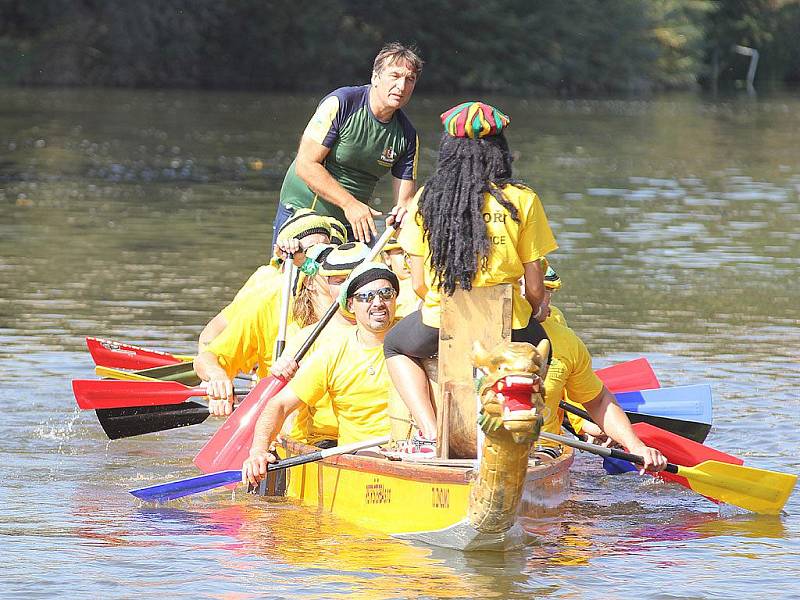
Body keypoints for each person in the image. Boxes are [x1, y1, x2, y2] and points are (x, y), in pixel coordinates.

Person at [383, 101, 557, 451]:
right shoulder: (523, 199)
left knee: (394, 346)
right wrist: (536, 308)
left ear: (449, 149)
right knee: (544, 350)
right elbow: (535, 285)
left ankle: (430, 430)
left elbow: (417, 284)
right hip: (511, 323)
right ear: (500, 149)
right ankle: (518, 426)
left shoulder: (425, 199)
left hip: (439, 319)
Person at [242, 264, 400, 486]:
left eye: (386, 294)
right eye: (366, 296)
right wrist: (258, 450)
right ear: (351, 305)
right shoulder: (333, 352)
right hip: (362, 457)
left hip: (417, 452)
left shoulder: (415, 337)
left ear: (395, 299)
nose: (378, 303)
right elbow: (279, 405)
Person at [275, 42, 422, 245]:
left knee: (382, 272)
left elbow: (404, 202)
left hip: (354, 222)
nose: (402, 86)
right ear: (375, 77)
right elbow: (305, 165)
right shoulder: (341, 103)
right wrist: (350, 204)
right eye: (395, 76)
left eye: (410, 80)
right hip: (303, 211)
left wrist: (401, 220)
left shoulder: (407, 135)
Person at [535, 266, 668, 472]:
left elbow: (596, 400)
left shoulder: (564, 340)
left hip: (542, 448)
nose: (548, 304)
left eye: (549, 294)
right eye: (541, 292)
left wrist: (635, 446)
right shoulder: (474, 331)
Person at [197, 209, 333, 354]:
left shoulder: (341, 287)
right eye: (309, 252)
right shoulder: (266, 291)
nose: (320, 260)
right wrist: (212, 367)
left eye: (326, 249)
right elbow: (211, 335)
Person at [382, 238, 418, 317]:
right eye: (401, 253)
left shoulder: (429, 285)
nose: (407, 260)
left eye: (412, 252)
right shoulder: (379, 290)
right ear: (387, 258)